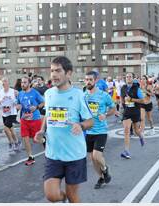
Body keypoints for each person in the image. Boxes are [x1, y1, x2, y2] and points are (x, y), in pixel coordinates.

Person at [34, 56, 93, 203]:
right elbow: (48, 114)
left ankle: (69, 198)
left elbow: (90, 121)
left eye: (58, 71)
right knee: (51, 195)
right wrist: (42, 130)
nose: (54, 75)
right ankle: (63, 198)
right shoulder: (48, 94)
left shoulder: (78, 95)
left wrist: (80, 125)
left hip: (74, 155)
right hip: (53, 154)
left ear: (68, 73)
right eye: (52, 71)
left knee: (73, 196)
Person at [84, 71, 115, 189]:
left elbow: (113, 108)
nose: (88, 82)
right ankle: (101, 177)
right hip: (89, 131)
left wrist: (106, 114)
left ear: (95, 80)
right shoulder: (84, 95)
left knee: (97, 156)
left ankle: (106, 169)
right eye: (86, 79)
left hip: (101, 130)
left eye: (90, 80)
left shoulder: (103, 95)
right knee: (93, 159)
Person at [16, 76, 45, 165]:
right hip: (24, 119)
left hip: (35, 119)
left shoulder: (35, 93)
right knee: (25, 137)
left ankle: (44, 141)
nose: (23, 84)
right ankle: (30, 157)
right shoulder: (20, 94)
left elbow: (43, 102)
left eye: (25, 82)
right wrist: (18, 107)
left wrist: (36, 107)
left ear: (29, 84)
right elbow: (18, 104)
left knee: (36, 139)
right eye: (22, 82)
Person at [120, 73, 145, 159]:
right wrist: (121, 105)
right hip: (127, 111)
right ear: (125, 78)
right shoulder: (123, 88)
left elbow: (143, 101)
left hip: (135, 111)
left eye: (130, 77)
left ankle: (141, 136)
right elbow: (122, 98)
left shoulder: (137, 88)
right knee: (126, 130)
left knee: (136, 131)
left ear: (133, 78)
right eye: (127, 77)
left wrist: (131, 99)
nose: (128, 78)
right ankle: (126, 151)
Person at [0, 77, 21, 152]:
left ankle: (11, 143)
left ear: (8, 83)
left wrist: (18, 104)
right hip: (5, 113)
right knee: (10, 128)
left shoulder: (14, 91)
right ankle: (17, 142)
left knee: (5, 128)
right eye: (3, 82)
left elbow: (20, 98)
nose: (4, 83)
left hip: (12, 112)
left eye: (5, 81)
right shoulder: (0, 93)